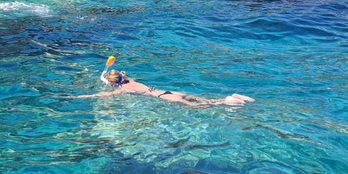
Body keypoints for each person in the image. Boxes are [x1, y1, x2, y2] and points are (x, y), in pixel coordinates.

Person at [81, 69, 255, 107]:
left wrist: (87, 96)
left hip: (162, 97)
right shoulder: (129, 81)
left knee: (200, 106)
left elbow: (105, 95)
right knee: (195, 99)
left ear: (113, 83)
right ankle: (232, 97)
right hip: (166, 91)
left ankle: (229, 101)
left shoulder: (123, 89)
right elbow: (127, 78)